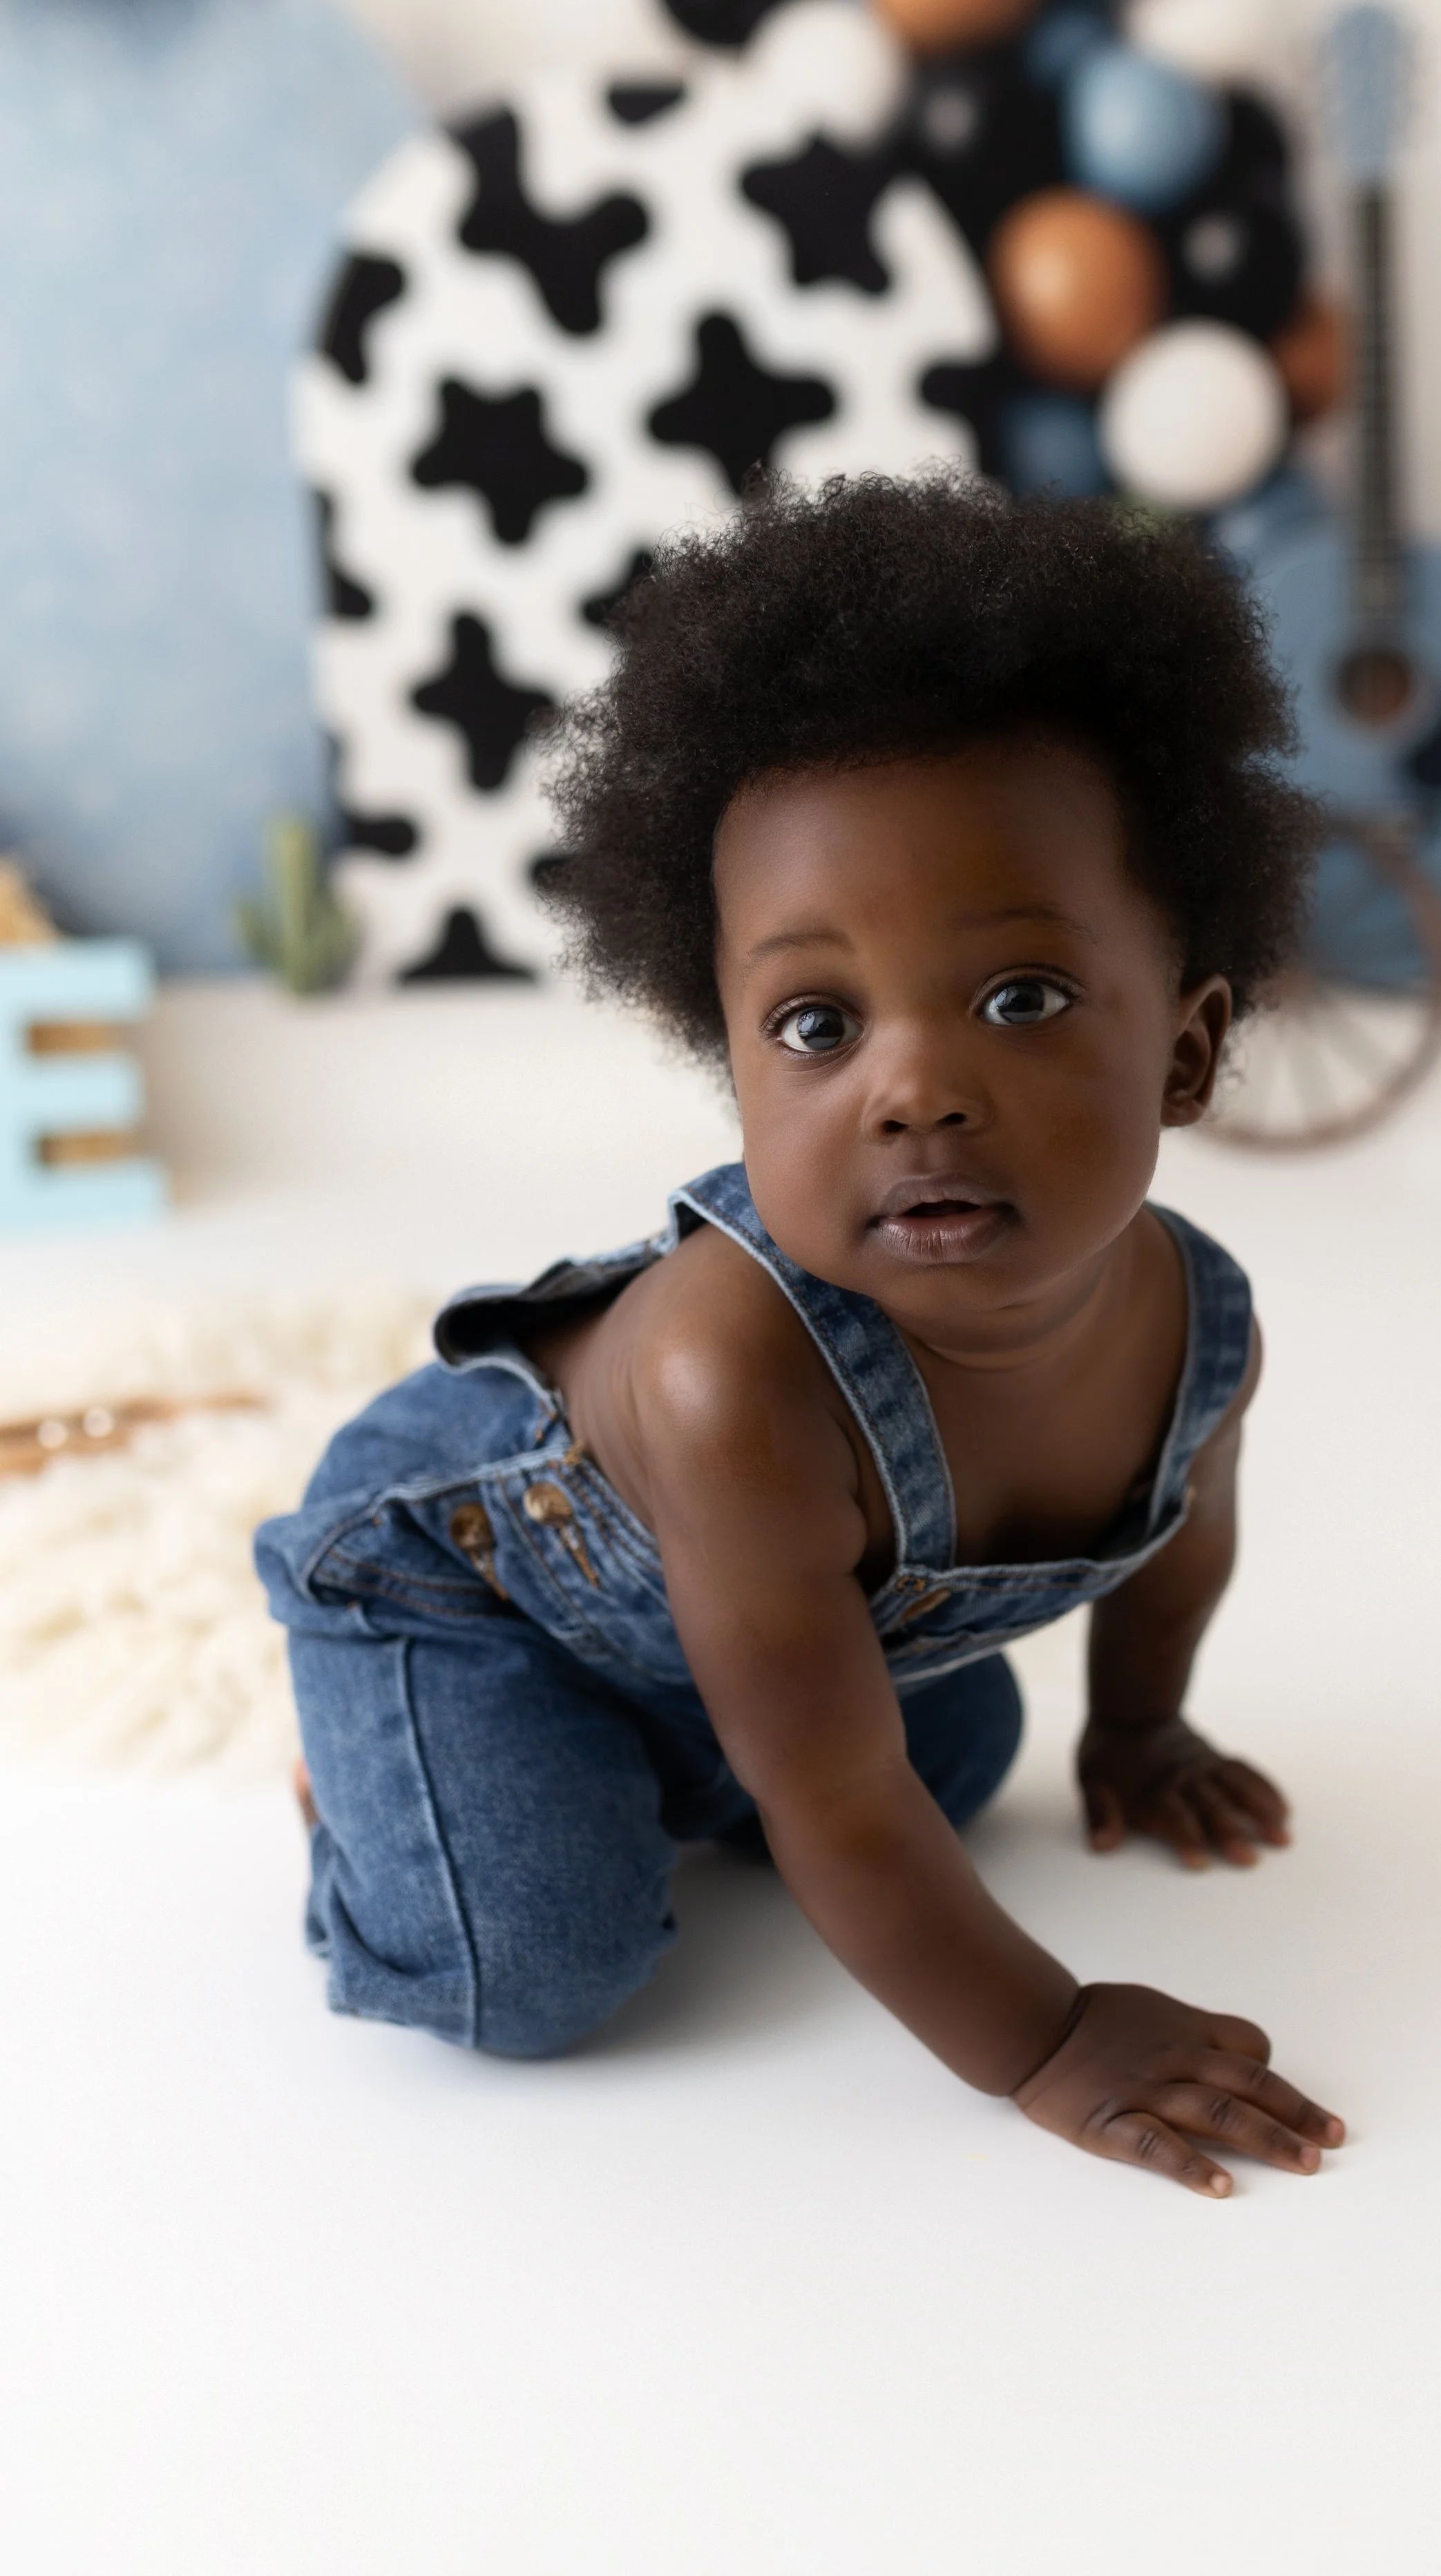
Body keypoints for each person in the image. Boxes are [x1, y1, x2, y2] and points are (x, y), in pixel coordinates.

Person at [256, 473, 1346, 2193]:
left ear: (1188, 1053)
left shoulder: (1198, 1323)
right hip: (468, 1574)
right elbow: (836, 1802)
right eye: (817, 1022)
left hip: (740, 1618)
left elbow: (1172, 1552)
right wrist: (1047, 2039)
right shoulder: (728, 1375)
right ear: (732, 1061)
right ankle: (372, 1766)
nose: (912, 1088)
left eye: (1019, 998)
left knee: (966, 1760)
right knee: (535, 1970)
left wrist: (1134, 1734)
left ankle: (649, 1757)